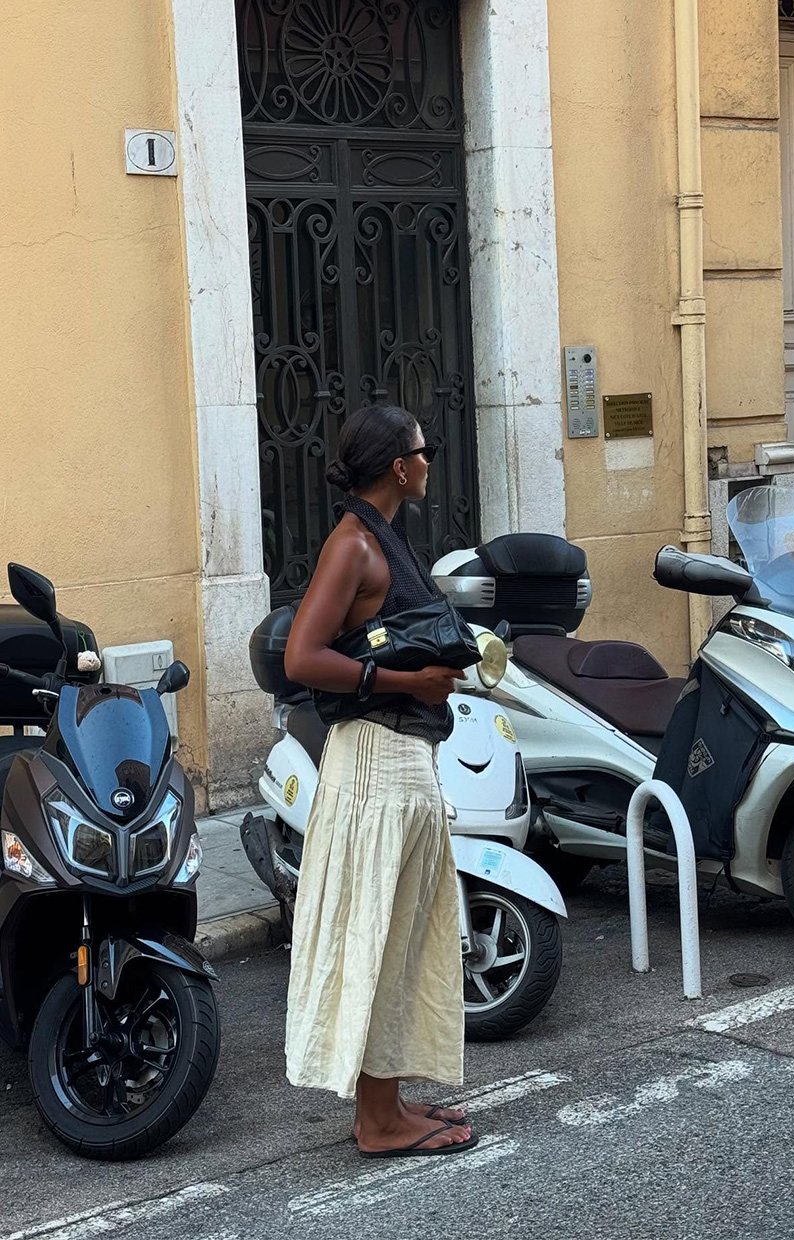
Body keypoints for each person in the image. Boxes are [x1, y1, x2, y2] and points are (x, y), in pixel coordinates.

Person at [283, 403, 477, 1159]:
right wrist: (404, 682)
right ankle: (379, 1122)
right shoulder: (353, 545)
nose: (430, 461)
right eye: (423, 452)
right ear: (399, 467)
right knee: (377, 934)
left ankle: (388, 1105)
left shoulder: (384, 536)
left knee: (399, 937)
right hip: (374, 760)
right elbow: (302, 658)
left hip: (401, 757)